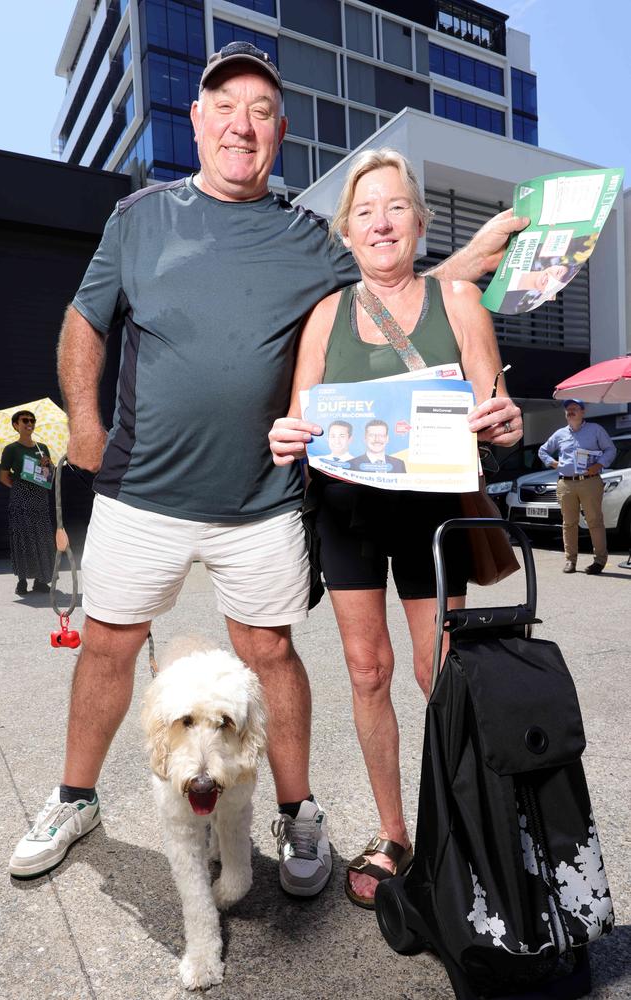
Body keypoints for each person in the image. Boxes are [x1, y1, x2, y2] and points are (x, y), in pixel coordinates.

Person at [9, 42, 528, 890]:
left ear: (280, 133)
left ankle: (299, 816)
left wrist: (481, 260)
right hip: (144, 488)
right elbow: (85, 319)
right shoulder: (141, 216)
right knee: (106, 644)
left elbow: (395, 283)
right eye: (225, 107)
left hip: (263, 499)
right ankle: (75, 797)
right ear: (198, 121)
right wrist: (85, 427)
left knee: (272, 655)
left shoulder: (309, 239)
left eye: (259, 112)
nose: (240, 125)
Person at [269, 148, 522, 908]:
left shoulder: (460, 304)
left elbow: (496, 408)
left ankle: (465, 824)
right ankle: (395, 832)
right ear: (347, 231)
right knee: (368, 671)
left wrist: (505, 424)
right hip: (348, 512)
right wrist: (287, 434)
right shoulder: (327, 314)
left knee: (439, 671)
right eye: (365, 210)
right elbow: (299, 414)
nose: (381, 221)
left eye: (396, 206)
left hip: (433, 516)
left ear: (419, 222)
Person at [538, 399, 616, 574]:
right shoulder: (559, 434)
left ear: (583, 412)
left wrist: (599, 465)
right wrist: (552, 463)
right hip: (566, 483)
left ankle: (599, 561)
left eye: (575, 408)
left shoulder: (595, 430)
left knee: (595, 521)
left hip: (590, 481)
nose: (571, 411)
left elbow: (610, 449)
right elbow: (542, 450)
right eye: (568, 409)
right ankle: (570, 561)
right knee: (569, 523)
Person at [0, 410, 55, 596]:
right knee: (23, 537)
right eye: (25, 420)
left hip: (40, 499)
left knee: (41, 537)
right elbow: (4, 477)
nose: (29, 423)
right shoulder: (11, 449)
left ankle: (40, 580)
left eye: (32, 420)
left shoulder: (42, 448)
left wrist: (47, 466)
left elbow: (47, 477)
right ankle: (21, 580)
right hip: (21, 500)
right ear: (16, 425)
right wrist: (20, 487)